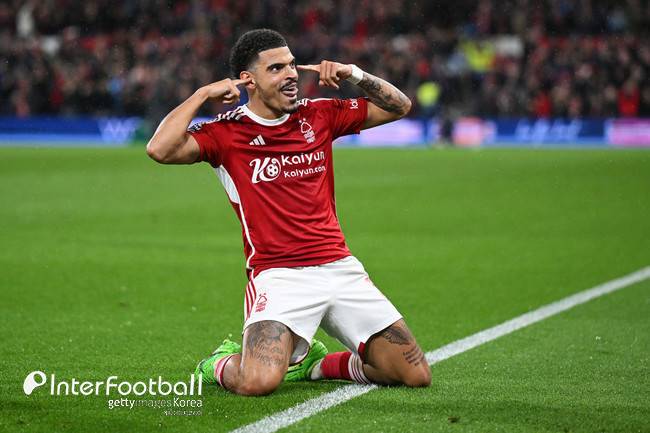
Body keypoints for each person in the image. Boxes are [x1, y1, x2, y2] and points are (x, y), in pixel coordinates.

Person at [146, 28, 431, 396]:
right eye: (276, 68)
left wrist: (354, 74)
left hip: (339, 267)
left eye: (292, 65)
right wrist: (202, 94)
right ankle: (219, 362)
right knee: (257, 383)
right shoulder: (226, 132)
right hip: (279, 275)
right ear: (248, 80)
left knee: (413, 374)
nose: (291, 74)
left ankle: (316, 366)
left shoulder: (319, 114)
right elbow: (160, 149)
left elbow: (400, 106)